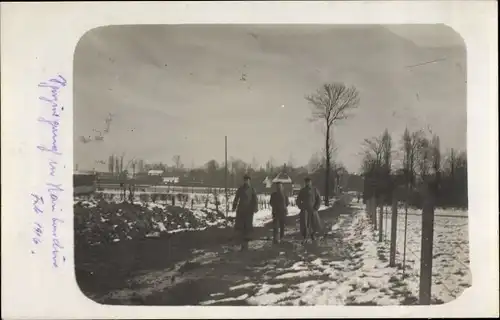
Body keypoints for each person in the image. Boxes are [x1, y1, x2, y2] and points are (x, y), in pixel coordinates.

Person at [232, 174, 258, 251]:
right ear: (243, 181)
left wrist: (255, 208)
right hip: (241, 211)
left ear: (249, 181)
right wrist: (234, 206)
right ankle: (242, 243)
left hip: (249, 211)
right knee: (241, 227)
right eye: (245, 180)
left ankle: (245, 244)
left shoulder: (252, 189)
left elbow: (255, 200)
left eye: (247, 180)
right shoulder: (240, 189)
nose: (246, 181)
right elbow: (236, 198)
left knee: (247, 227)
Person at [297, 176, 322, 243]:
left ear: (311, 182)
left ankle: (313, 235)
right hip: (305, 210)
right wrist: (301, 206)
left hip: (313, 210)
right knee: (305, 224)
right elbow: (298, 200)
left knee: (314, 223)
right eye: (306, 182)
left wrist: (316, 207)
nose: (307, 183)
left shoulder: (314, 190)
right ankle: (305, 237)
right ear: (305, 183)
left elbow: (319, 200)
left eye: (309, 182)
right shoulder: (302, 191)